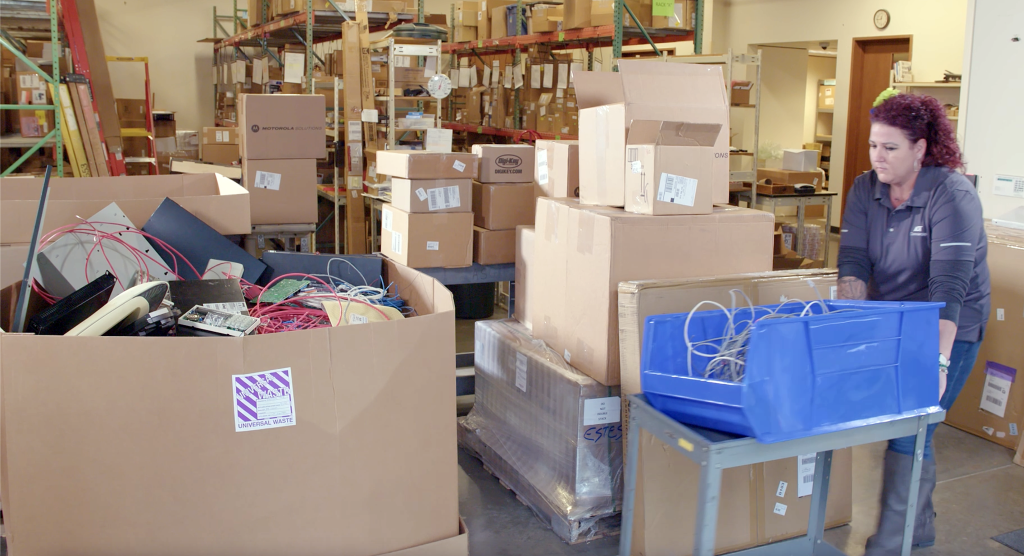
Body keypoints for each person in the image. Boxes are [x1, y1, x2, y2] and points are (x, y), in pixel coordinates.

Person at [837, 89, 990, 555]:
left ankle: (892, 544)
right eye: (872, 146)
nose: (877, 157)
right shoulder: (866, 187)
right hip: (890, 320)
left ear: (921, 148)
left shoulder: (952, 194)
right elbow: (854, 262)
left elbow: (948, 290)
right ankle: (915, 534)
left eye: (890, 148)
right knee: (896, 422)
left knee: (913, 424)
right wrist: (850, 327)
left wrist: (939, 364)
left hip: (948, 326)